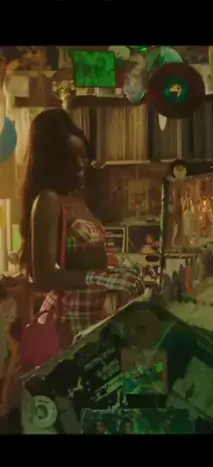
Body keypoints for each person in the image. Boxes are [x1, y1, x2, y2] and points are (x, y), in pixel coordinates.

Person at [19, 109, 145, 351]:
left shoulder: (76, 199)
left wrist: (119, 272)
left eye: (83, 157)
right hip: (67, 320)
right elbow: (43, 277)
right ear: (53, 162)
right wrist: (102, 278)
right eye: (71, 159)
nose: (81, 165)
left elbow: (92, 257)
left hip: (93, 315)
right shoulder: (48, 201)